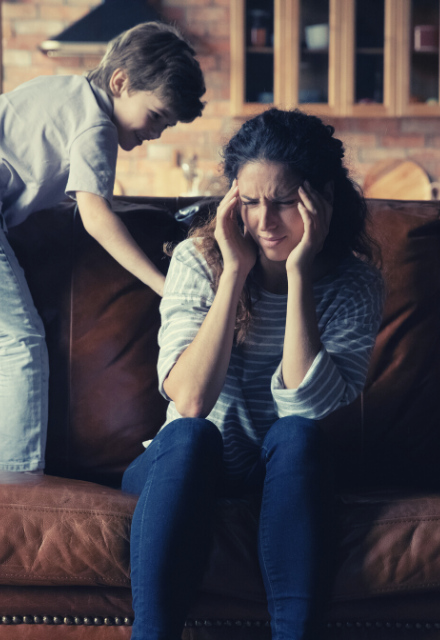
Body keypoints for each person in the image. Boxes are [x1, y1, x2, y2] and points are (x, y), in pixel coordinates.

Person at [122, 108, 384, 640]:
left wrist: (299, 273)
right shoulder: (198, 260)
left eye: (285, 202)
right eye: (250, 202)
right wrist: (235, 271)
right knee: (193, 435)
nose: (265, 222)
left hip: (283, 474)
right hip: (183, 469)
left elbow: (306, 409)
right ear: (230, 201)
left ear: (322, 201)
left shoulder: (355, 285)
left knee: (296, 435)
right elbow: (191, 400)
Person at [0, 21, 205, 476]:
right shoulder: (97, 125)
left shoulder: (63, 92)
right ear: (120, 82)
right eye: (155, 116)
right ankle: (16, 493)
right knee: (20, 344)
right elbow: (96, 216)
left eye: (166, 125)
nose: (156, 133)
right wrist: (165, 285)